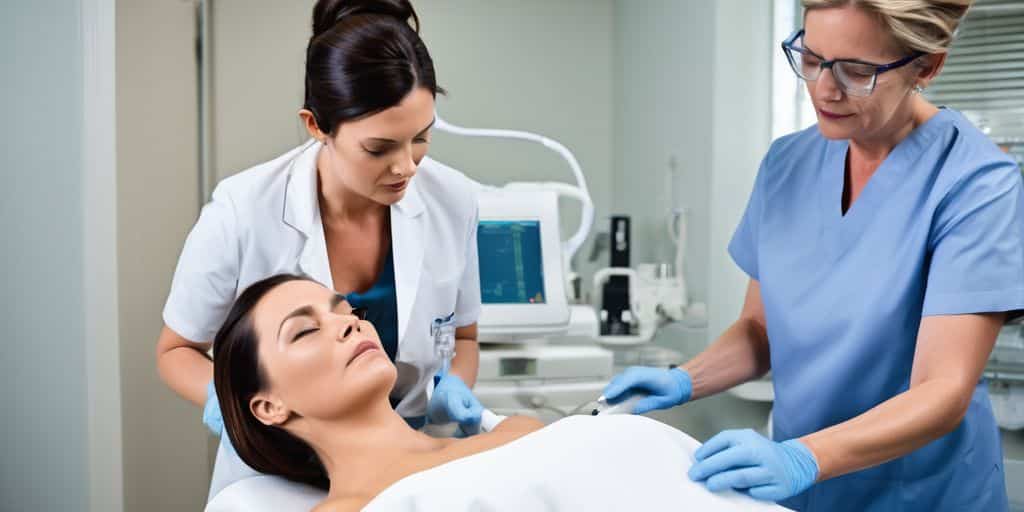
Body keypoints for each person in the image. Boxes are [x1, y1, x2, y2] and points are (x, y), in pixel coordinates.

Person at [602, 1, 1022, 510]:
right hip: (809, 491)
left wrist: (803, 457)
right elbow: (761, 332)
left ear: (926, 66)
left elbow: (942, 390)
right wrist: (685, 378)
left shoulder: (976, 185)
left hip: (923, 493)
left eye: (856, 70)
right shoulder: (787, 164)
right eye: (812, 57)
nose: (824, 87)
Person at [156, 0, 485, 473]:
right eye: (378, 148)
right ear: (316, 126)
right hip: (287, 462)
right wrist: (221, 400)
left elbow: (465, 337)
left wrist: (455, 386)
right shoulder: (244, 209)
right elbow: (175, 350)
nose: (406, 166)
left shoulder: (452, 199)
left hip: (415, 455)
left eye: (421, 138)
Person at [213, 274, 792, 511]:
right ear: (268, 406)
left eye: (349, 311)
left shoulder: (516, 430)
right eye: (307, 329)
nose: (350, 323)